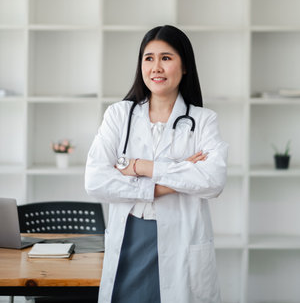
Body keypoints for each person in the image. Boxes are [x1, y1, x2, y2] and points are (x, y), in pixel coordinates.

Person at [85, 25, 228, 303]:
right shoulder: (119, 115)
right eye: (148, 58)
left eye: (166, 57)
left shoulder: (203, 121)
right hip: (130, 238)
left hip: (181, 240)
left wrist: (140, 166)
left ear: (184, 66)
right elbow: (95, 181)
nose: (156, 67)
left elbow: (212, 181)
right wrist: (168, 184)